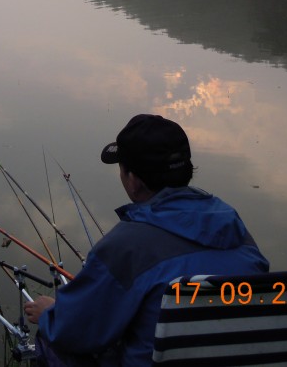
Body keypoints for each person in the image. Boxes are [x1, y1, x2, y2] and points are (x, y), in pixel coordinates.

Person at [23, 114, 269, 366]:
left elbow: (78, 331)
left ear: (133, 181)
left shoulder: (126, 245)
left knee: (52, 342)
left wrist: (50, 314)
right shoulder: (233, 224)